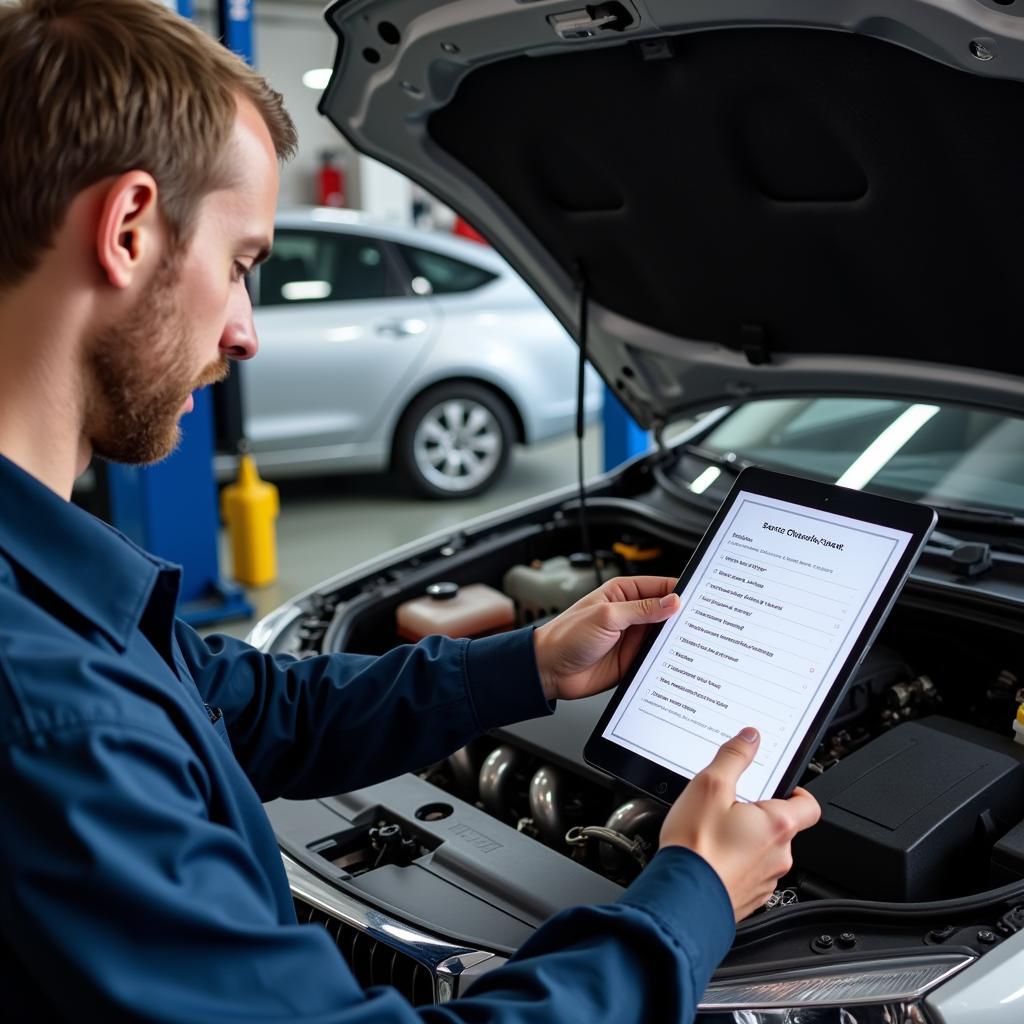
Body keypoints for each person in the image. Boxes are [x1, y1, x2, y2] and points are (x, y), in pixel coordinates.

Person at [0, 2, 821, 1022]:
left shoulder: (47, 583)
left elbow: (248, 707)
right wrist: (688, 897)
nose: (245, 332)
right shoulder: (46, 709)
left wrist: (528, 662)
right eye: (243, 263)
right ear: (127, 229)